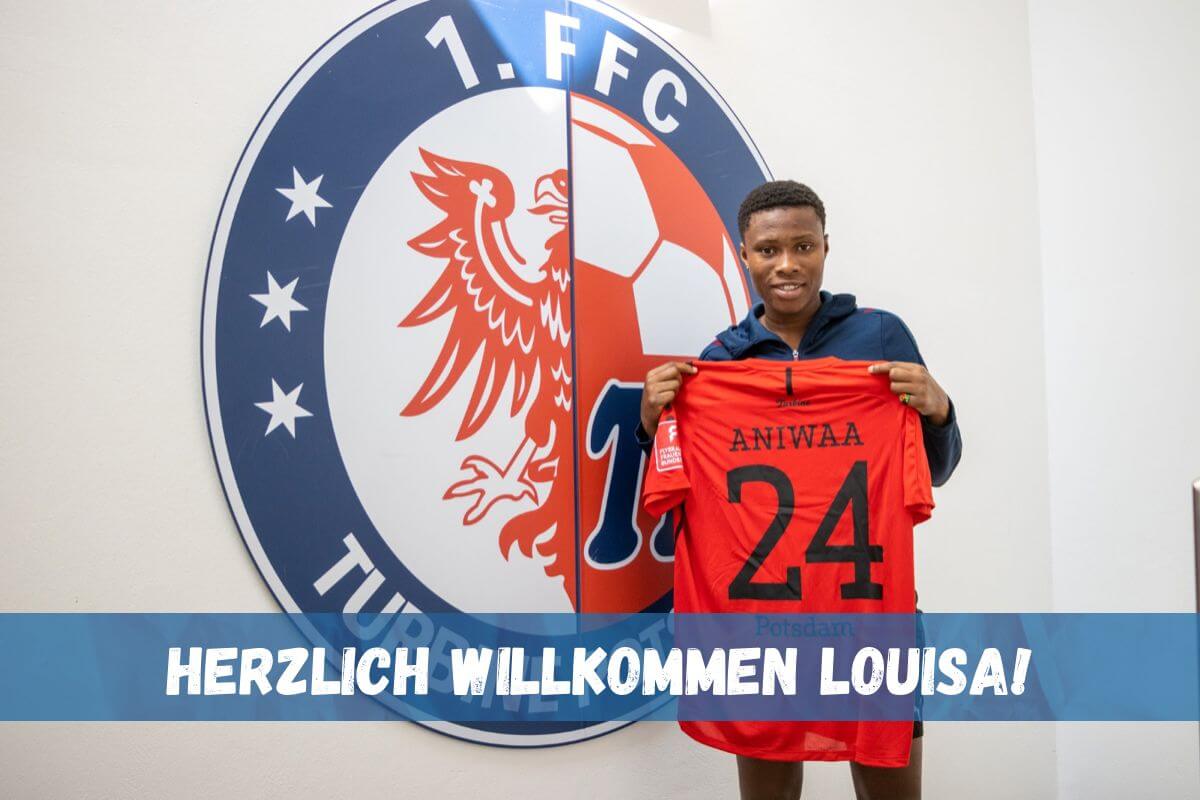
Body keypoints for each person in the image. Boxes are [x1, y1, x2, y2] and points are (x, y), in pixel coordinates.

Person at [637, 180, 962, 800]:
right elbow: (681, 498)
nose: (787, 264)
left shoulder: (881, 338)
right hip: (760, 627)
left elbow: (935, 472)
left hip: (871, 618)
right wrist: (654, 424)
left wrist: (939, 409)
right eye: (768, 250)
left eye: (803, 246)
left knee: (890, 790)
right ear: (745, 256)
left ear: (825, 248)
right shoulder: (720, 364)